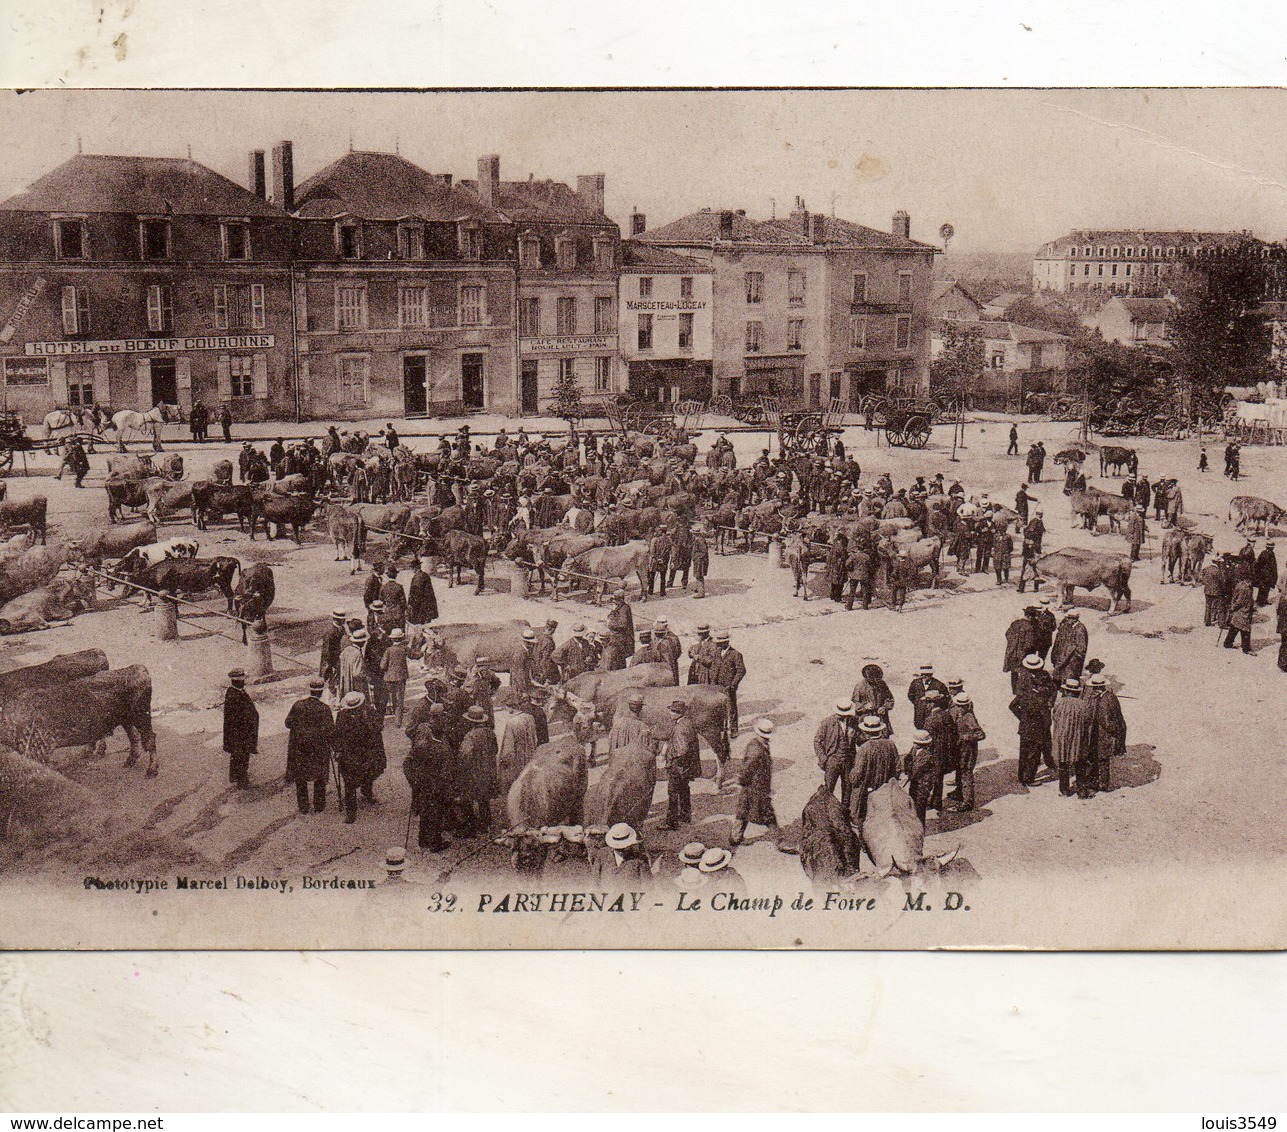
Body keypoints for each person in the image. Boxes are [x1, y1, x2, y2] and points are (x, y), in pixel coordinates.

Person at [285, 677, 335, 814]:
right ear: (321, 692)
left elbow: (288, 723)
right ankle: (319, 806)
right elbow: (331, 731)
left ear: (310, 690)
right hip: (318, 749)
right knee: (319, 776)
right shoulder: (325, 709)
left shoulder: (298, 705)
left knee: (301, 777)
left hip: (300, 747)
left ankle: (303, 807)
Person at [334, 691, 386, 823]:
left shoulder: (369, 712)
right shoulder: (342, 716)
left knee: (369, 774)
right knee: (350, 783)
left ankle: (367, 793)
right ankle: (351, 813)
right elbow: (338, 735)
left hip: (366, 752)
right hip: (350, 755)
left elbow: (379, 727)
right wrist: (337, 750)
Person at [729, 718, 778, 846]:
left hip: (752, 786)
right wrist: (742, 780)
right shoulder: (757, 750)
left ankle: (735, 837)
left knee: (743, 811)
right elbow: (747, 769)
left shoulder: (756, 744)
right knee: (768, 814)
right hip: (755, 787)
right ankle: (780, 841)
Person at [1011, 654, 1056, 785]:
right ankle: (1027, 778)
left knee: (1035, 747)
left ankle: (1048, 762)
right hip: (1035, 723)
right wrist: (1023, 717)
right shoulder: (1024, 681)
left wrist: (1050, 702)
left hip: (1033, 723)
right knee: (1031, 752)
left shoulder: (1045, 676)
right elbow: (1014, 705)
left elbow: (1053, 690)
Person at [847, 715, 899, 824]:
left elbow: (856, 775)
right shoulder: (890, 744)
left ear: (866, 732)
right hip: (886, 788)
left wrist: (850, 776)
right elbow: (898, 767)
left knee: (858, 817)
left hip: (867, 790)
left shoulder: (864, 748)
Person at [1051, 677, 1097, 798]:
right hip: (1078, 738)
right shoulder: (1083, 705)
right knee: (1080, 763)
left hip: (1062, 738)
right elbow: (1088, 721)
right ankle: (1082, 791)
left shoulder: (1059, 703)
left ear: (1065, 691)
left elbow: (1054, 718)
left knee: (1063, 763)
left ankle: (1064, 789)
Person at [658, 700, 701, 831]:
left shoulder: (680, 728)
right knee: (684, 789)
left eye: (672, 711)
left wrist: (671, 759)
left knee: (673, 792)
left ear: (678, 713)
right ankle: (685, 815)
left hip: (678, 766)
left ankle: (671, 822)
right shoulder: (687, 722)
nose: (670, 713)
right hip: (687, 766)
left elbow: (682, 749)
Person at [456, 705, 498, 837]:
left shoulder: (470, 736)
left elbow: (465, 755)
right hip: (488, 771)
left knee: (467, 799)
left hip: (474, 773)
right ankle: (485, 824)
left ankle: (470, 827)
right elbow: (495, 750)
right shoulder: (490, 733)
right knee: (484, 800)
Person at [1087, 673, 1126, 793]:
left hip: (1103, 734)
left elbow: (1108, 720)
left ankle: (1102, 784)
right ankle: (1100, 782)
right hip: (1099, 732)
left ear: (1097, 688)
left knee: (1102, 759)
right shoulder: (1108, 697)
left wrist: (1113, 731)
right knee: (1098, 758)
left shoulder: (1106, 699)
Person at [814, 700, 856, 810]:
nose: (843, 717)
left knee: (847, 789)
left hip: (848, 760)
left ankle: (844, 814)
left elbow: (860, 740)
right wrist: (824, 759)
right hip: (832, 760)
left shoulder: (853, 721)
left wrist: (853, 735)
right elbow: (817, 741)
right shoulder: (827, 723)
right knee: (828, 789)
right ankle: (826, 814)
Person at [948, 692, 985, 811]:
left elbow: (980, 734)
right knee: (959, 770)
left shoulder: (969, 717)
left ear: (966, 706)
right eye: (958, 705)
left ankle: (967, 802)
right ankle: (959, 793)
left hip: (968, 750)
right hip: (960, 749)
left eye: (961, 706)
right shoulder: (957, 713)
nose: (959, 708)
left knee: (966, 774)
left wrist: (965, 737)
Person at [222, 668, 259, 788]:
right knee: (242, 757)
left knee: (237, 756)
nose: (244, 682)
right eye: (243, 680)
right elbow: (238, 718)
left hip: (238, 734)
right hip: (240, 734)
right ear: (238, 681)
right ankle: (242, 781)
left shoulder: (235, 692)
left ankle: (235, 776)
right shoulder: (235, 695)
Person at [710, 629, 746, 735]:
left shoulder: (736, 654)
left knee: (731, 708)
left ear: (727, 642)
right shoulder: (717, 652)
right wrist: (713, 681)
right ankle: (721, 727)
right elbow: (714, 667)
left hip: (729, 686)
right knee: (719, 707)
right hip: (717, 685)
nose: (718, 645)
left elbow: (741, 670)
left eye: (720, 644)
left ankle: (734, 729)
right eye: (718, 643)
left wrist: (733, 684)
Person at [903, 730, 938, 826]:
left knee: (920, 806)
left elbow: (916, 769)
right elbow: (907, 759)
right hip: (915, 783)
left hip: (923, 786)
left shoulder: (927, 755)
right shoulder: (914, 749)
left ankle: (920, 826)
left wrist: (909, 772)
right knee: (913, 803)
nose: (914, 744)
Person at [405, 558, 438, 654]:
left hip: (420, 609)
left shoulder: (418, 578)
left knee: (419, 627)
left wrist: (411, 607)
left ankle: (418, 648)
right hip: (427, 607)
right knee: (423, 626)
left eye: (412, 568)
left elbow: (416, 595)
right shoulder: (424, 575)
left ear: (415, 568)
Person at [851, 663, 894, 734]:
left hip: (881, 719)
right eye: (872, 679)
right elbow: (854, 704)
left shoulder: (882, 684)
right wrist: (864, 707)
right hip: (865, 719)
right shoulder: (859, 686)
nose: (875, 681)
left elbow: (890, 699)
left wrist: (884, 707)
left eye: (877, 679)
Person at [607, 690, 655, 755]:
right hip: (633, 762)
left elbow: (610, 742)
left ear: (629, 706)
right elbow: (647, 749)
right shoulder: (643, 726)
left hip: (618, 761)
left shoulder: (618, 723)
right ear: (640, 708)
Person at [1004, 607, 1038, 693]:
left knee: (1014, 672)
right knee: (1024, 672)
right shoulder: (1029, 627)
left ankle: (1014, 690)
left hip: (1012, 652)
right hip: (1023, 654)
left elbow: (1007, 634)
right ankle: (1022, 691)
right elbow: (1029, 644)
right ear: (1030, 617)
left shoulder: (1015, 623)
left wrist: (1013, 644)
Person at [1050, 609, 1088, 684]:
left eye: (1068, 618)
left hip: (1071, 661)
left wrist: (1072, 658)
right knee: (1058, 677)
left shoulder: (1080, 629)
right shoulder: (1068, 625)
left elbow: (1081, 649)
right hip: (1063, 658)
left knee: (1070, 680)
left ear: (1074, 619)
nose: (1066, 619)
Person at [381, 627, 410, 724]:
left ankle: (382, 720)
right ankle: (398, 722)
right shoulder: (404, 649)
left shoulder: (388, 650)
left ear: (392, 639)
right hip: (401, 677)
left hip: (389, 678)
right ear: (401, 638)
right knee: (399, 699)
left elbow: (382, 666)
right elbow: (415, 655)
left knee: (387, 697)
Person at [907, 663, 948, 728]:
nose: (925, 676)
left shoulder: (939, 684)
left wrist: (936, 703)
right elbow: (910, 695)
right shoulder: (915, 683)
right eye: (923, 674)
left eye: (927, 675)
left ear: (931, 674)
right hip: (919, 714)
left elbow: (946, 699)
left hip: (933, 715)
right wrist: (918, 703)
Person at [1223, 574, 1254, 653]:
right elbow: (1240, 601)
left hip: (1239, 611)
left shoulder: (1241, 584)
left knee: (1235, 626)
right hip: (1243, 611)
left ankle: (1228, 643)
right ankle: (1246, 649)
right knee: (1245, 629)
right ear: (1248, 580)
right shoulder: (1245, 589)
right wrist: (1233, 607)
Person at [605, 589, 635, 671]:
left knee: (618, 659)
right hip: (618, 638)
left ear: (621, 599)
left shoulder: (624, 609)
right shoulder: (619, 607)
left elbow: (623, 624)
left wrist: (610, 624)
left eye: (616, 600)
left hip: (622, 639)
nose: (614, 601)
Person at [1254, 540, 1278, 607]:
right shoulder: (1271, 554)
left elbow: (1258, 563)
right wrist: (1274, 576)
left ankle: (1260, 600)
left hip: (1262, 573)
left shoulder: (1263, 552)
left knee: (1262, 587)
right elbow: (1273, 566)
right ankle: (1261, 602)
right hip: (1267, 574)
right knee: (1266, 588)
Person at [689, 525, 710, 599]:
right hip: (697, 560)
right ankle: (698, 588)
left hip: (700, 560)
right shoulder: (697, 539)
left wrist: (697, 557)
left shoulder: (700, 540)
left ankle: (701, 593)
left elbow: (704, 551)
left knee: (699, 575)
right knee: (697, 574)